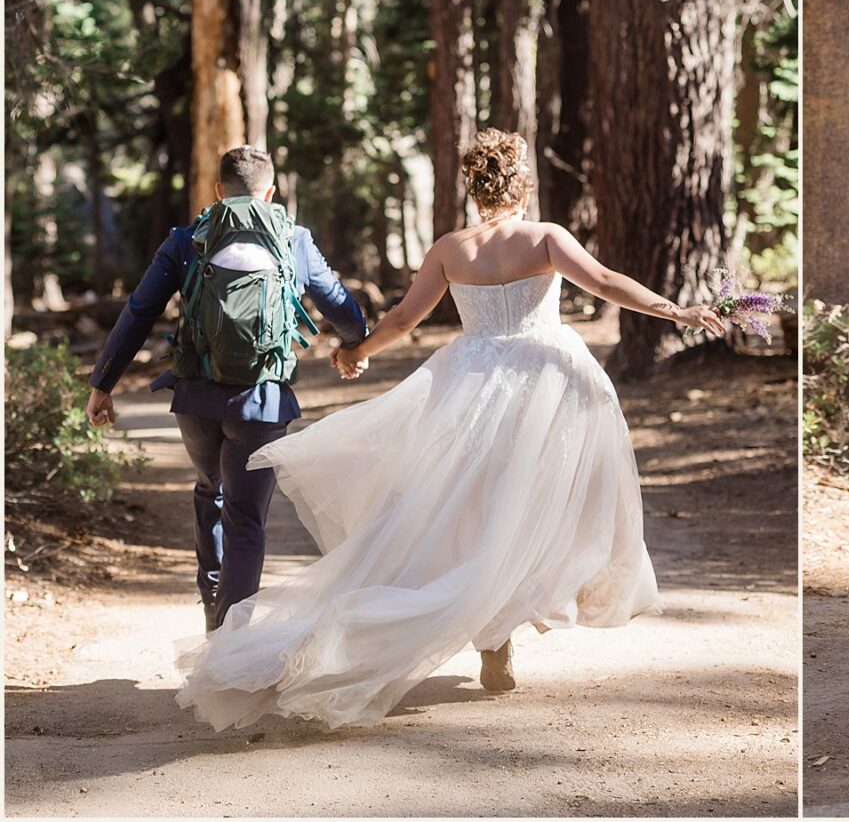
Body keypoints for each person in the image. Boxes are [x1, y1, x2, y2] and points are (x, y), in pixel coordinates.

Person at [174, 129, 726, 730]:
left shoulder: (450, 248)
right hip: (546, 380)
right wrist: (680, 311)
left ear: (474, 186)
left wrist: (356, 351)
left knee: (471, 509)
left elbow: (407, 318)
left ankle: (494, 636)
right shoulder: (545, 238)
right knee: (535, 503)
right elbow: (608, 284)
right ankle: (509, 620)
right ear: (525, 187)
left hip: (472, 381)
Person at [87, 146, 368, 632]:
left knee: (208, 492)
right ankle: (231, 640)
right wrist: (353, 347)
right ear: (271, 192)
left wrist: (102, 383)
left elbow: (139, 312)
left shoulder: (185, 240)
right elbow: (340, 304)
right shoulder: (293, 240)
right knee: (246, 521)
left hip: (196, 398)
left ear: (218, 191)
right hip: (262, 403)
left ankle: (211, 613)